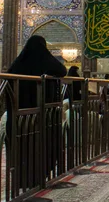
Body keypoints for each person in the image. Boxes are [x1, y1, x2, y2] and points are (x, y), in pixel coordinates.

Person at [7, 35, 67, 189]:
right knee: (41, 144)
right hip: (41, 116)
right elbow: (62, 70)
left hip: (20, 118)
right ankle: (40, 175)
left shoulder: (16, 65)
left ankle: (22, 178)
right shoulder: (45, 60)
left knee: (24, 145)